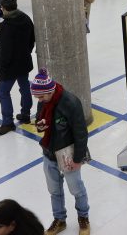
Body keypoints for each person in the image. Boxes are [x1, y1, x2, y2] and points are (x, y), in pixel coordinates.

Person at [30, 69, 91, 235]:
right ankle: (59, 219)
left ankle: (83, 218)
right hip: (49, 154)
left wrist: (78, 160)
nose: (39, 100)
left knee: (76, 189)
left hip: (67, 155)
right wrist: (40, 124)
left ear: (49, 91)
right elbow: (39, 119)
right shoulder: (43, 101)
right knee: (54, 190)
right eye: (37, 97)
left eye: (41, 97)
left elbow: (81, 134)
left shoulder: (71, 102)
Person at [0, 0, 35, 137]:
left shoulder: (6, 26)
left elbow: (5, 51)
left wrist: (2, 69)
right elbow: (32, 39)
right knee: (24, 87)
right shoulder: (25, 18)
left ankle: (7, 122)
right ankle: (25, 114)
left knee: (2, 92)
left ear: (3, 8)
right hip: (24, 62)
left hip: (10, 67)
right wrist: (25, 53)